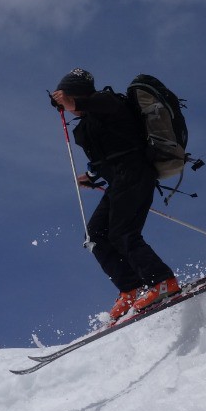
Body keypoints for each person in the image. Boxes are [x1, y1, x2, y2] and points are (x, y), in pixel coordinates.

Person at [50, 68, 179, 321]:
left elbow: (105, 111)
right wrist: (93, 176)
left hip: (136, 174)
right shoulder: (90, 123)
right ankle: (131, 287)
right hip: (119, 181)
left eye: (69, 99)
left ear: (79, 95)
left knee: (122, 232)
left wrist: (73, 101)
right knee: (95, 235)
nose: (67, 108)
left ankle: (162, 281)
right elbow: (111, 153)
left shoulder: (110, 102)